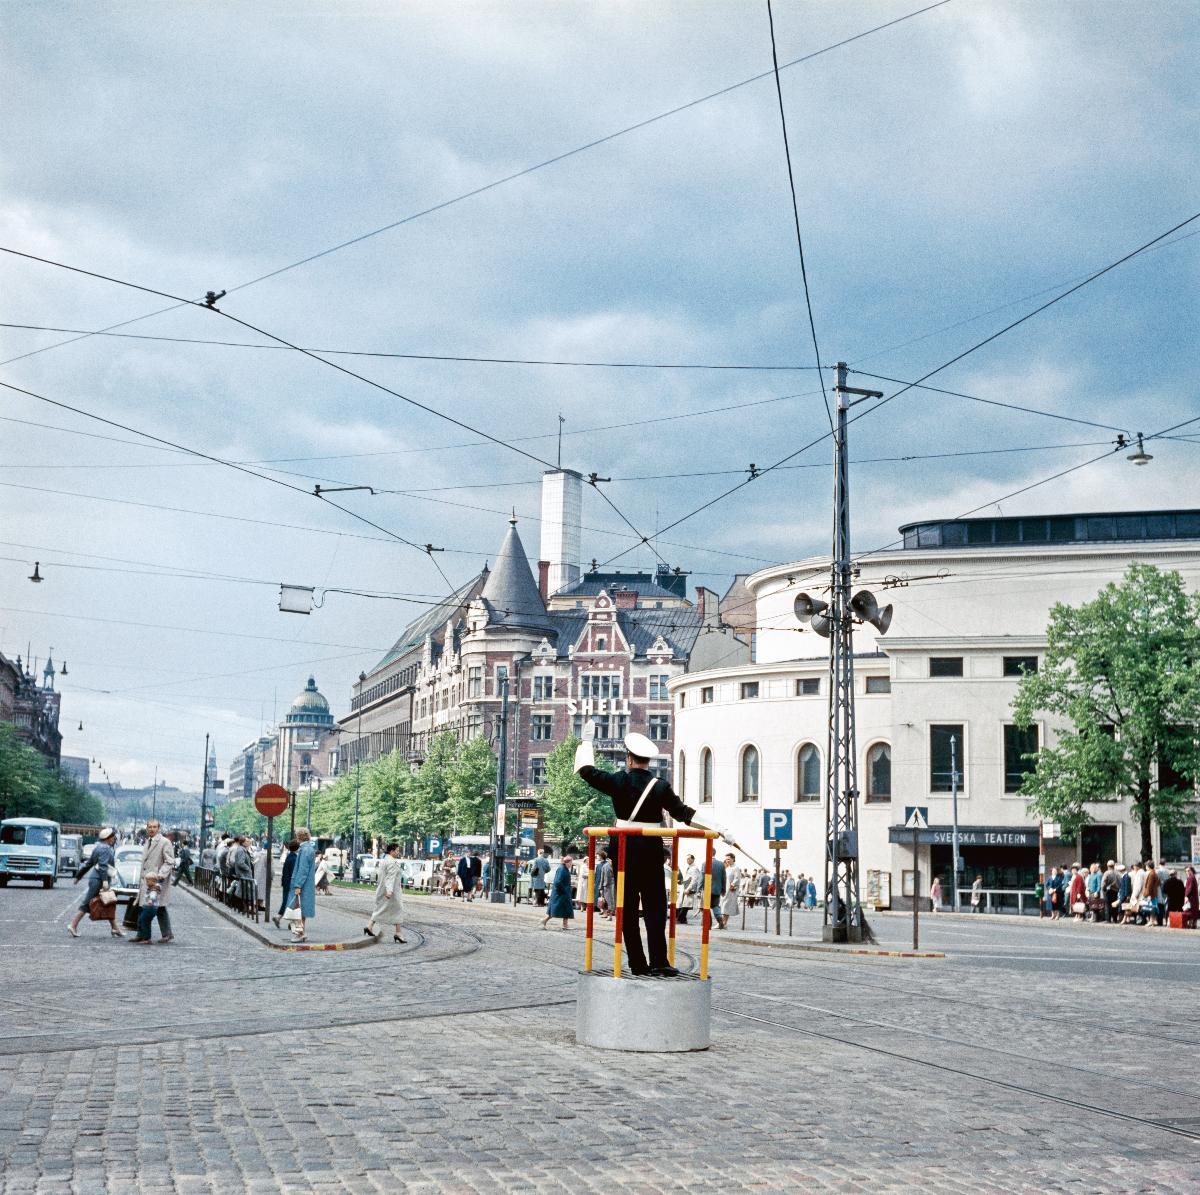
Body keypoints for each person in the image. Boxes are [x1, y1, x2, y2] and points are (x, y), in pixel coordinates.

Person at [574, 728, 728, 978]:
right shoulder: (660, 787)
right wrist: (718, 828)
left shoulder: (617, 781)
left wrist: (587, 742)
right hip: (650, 852)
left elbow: (585, 771)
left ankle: (637, 962)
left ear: (629, 759)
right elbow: (684, 814)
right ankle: (659, 961)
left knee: (628, 908)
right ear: (648, 761)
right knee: (656, 907)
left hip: (623, 852)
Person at [68, 827, 123, 939]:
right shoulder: (106, 849)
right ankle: (73, 925)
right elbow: (103, 866)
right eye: (112, 837)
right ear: (108, 838)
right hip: (99, 880)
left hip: (95, 879)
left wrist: (79, 876)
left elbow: (88, 864)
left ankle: (115, 928)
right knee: (87, 903)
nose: (113, 839)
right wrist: (104, 881)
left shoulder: (98, 848)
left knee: (107, 902)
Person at [132, 818, 175, 945]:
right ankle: (141, 934)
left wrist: (160, 875)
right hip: (146, 880)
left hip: (156, 880)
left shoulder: (164, 842)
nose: (151, 829)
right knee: (142, 906)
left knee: (159, 907)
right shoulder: (147, 841)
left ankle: (166, 934)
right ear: (147, 828)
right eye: (149, 827)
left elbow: (170, 861)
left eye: (154, 827)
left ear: (159, 828)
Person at [365, 843, 406, 943]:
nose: (398, 852)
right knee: (399, 909)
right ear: (391, 851)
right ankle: (398, 933)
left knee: (381, 908)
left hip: (384, 889)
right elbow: (390, 878)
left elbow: (381, 876)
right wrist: (389, 891)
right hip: (392, 892)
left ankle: (369, 926)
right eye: (397, 850)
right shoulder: (391, 862)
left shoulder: (385, 860)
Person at [287, 828, 317, 942]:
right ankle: (301, 932)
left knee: (298, 910)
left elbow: (303, 869)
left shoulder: (304, 850)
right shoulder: (309, 849)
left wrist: (298, 885)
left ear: (299, 837)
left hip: (302, 885)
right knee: (301, 910)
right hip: (306, 884)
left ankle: (299, 933)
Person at [543, 854, 575, 930]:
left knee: (565, 909)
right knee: (556, 909)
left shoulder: (564, 868)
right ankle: (544, 920)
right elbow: (558, 882)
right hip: (560, 894)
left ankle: (565, 925)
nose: (571, 864)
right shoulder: (562, 869)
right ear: (567, 862)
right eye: (571, 862)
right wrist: (564, 890)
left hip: (563, 893)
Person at [272, 839, 300, 927]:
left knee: (288, 901)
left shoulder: (289, 856)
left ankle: (283, 918)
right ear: (297, 848)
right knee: (291, 902)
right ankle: (289, 921)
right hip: (290, 883)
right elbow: (294, 873)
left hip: (286, 882)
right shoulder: (294, 858)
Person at [678, 853, 701, 926]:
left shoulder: (694, 868)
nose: (687, 860)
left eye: (689, 859)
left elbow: (695, 880)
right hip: (685, 887)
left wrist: (688, 888)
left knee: (686, 904)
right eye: (686, 859)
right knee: (684, 904)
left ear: (693, 859)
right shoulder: (689, 867)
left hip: (689, 888)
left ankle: (680, 919)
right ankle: (682, 919)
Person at [721, 853, 740, 925]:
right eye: (726, 859)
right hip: (725, 890)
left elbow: (737, 878)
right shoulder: (727, 868)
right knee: (724, 906)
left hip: (731, 890)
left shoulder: (736, 868)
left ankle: (723, 923)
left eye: (728, 859)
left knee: (726, 907)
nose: (727, 860)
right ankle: (723, 923)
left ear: (733, 859)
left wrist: (733, 884)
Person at [710, 851, 727, 929]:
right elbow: (724, 878)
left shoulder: (705, 863)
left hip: (707, 889)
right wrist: (723, 889)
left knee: (705, 907)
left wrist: (699, 889)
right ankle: (720, 922)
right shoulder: (721, 864)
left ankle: (708, 924)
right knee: (715, 906)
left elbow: (702, 878)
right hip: (717, 889)